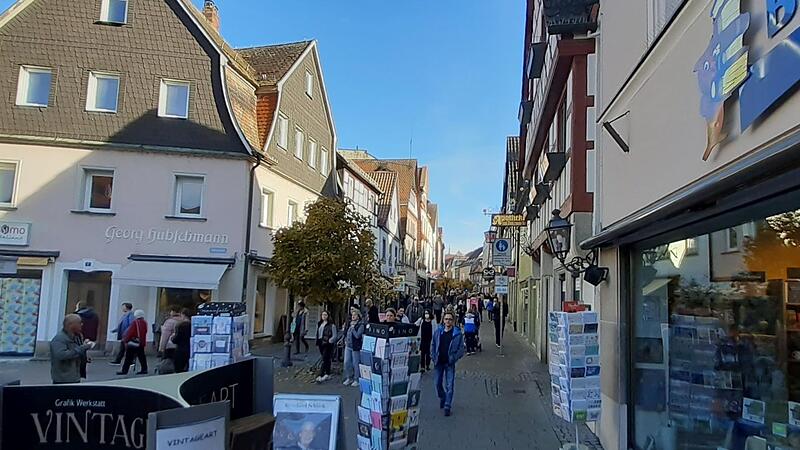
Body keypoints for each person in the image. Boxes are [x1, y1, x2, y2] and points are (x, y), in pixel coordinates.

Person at [431, 311, 465, 416]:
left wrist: (454, 358)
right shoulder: (438, 331)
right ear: (443, 320)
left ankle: (447, 405)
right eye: (446, 319)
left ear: (453, 321)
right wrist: (433, 356)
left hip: (449, 363)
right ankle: (443, 397)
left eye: (450, 319)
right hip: (438, 362)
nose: (448, 321)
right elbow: (433, 344)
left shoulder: (457, 334)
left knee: (450, 385)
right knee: (437, 384)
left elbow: (461, 349)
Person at [50, 314, 95, 384]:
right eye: (79, 323)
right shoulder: (59, 339)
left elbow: (75, 351)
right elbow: (61, 355)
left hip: (75, 377)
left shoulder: (76, 336)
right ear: (71, 325)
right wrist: (83, 347)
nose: (82, 324)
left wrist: (84, 358)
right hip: (63, 379)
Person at [117, 310, 149, 375]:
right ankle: (144, 369)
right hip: (141, 342)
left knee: (128, 357)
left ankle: (124, 370)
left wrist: (126, 340)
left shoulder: (135, 322)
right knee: (142, 356)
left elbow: (130, 332)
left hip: (133, 342)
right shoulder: (144, 323)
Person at [342, 309, 365, 386]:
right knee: (346, 362)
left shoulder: (360, 325)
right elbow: (346, 333)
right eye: (352, 315)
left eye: (355, 315)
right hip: (348, 346)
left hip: (355, 347)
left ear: (358, 316)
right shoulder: (349, 324)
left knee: (355, 363)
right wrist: (345, 339)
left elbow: (357, 336)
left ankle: (356, 379)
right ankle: (349, 377)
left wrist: (353, 329)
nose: (353, 316)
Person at [315, 310, 337, 382]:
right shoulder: (319, 324)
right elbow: (318, 333)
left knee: (324, 358)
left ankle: (321, 374)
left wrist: (330, 340)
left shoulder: (331, 325)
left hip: (327, 343)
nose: (324, 316)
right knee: (326, 359)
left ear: (328, 316)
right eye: (323, 315)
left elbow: (335, 335)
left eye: (325, 315)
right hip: (321, 342)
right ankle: (327, 373)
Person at [171, 308, 192, 373]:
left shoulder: (180, 325)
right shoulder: (192, 325)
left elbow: (176, 339)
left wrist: (172, 337)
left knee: (179, 369)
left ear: (183, 315)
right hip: (190, 349)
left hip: (180, 349)